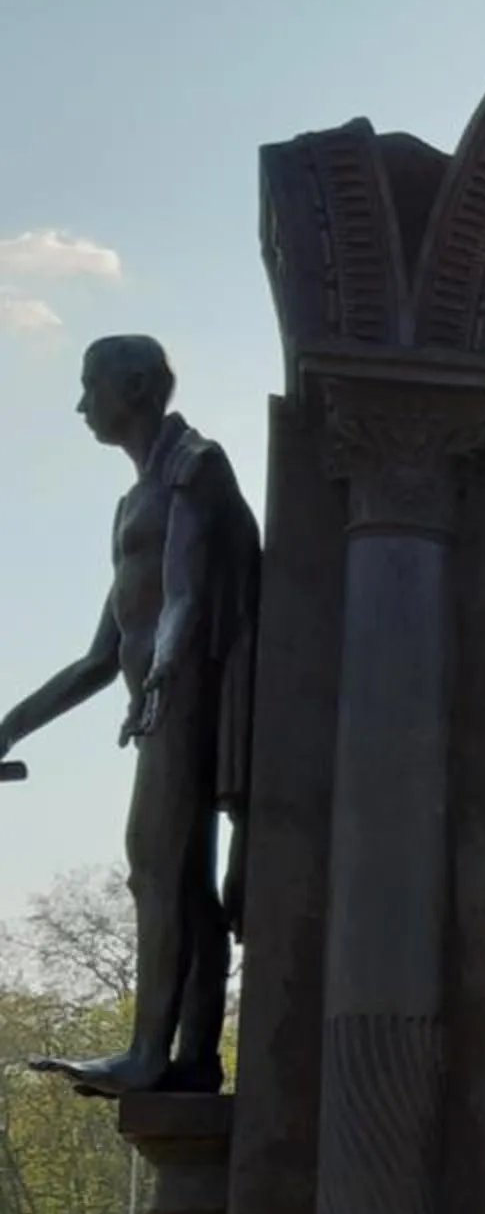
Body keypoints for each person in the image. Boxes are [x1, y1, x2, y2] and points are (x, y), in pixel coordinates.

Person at [0, 338, 259, 1096]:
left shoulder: (194, 465)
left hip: (187, 701)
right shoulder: (134, 501)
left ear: (137, 386)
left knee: (154, 870)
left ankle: (150, 1054)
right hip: (159, 706)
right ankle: (194, 1059)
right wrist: (10, 726)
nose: (82, 405)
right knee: (181, 881)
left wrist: (164, 678)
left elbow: (184, 593)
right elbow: (101, 656)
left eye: (92, 386)